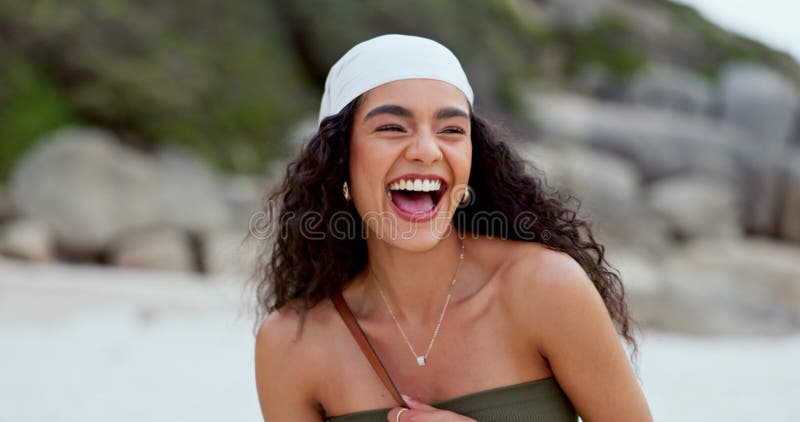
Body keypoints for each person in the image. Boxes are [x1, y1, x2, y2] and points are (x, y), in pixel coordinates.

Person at [252, 34, 653, 421]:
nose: (427, 150)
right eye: (392, 127)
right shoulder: (291, 345)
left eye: (451, 130)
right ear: (338, 160)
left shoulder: (543, 287)